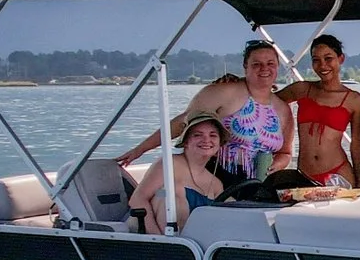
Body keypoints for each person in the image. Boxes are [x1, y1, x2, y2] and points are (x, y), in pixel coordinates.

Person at [118, 39, 295, 187]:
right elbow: (183, 122)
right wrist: (139, 150)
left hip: (260, 182)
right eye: (256, 64)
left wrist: (275, 166)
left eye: (270, 63)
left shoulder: (283, 109)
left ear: (277, 67)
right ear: (245, 67)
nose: (264, 68)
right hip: (218, 175)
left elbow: (285, 153)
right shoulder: (225, 92)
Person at [280, 34, 360, 187]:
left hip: (338, 173)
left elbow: (357, 145)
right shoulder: (301, 89)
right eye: (316, 60)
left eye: (328, 58)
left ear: (341, 59)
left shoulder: (354, 100)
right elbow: (265, 100)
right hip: (304, 175)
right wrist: (238, 82)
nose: (323, 65)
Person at [126, 117, 227, 234]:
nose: (206, 140)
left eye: (213, 135)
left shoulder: (215, 183)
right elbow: (137, 199)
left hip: (194, 245)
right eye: (197, 135)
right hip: (153, 237)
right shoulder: (169, 164)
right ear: (186, 142)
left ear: (219, 144)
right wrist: (157, 240)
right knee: (170, 194)